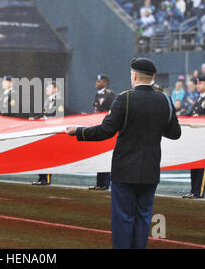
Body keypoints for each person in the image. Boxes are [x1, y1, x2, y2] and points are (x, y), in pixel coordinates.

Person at [66, 57, 181, 249]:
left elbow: (105, 131)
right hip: (150, 171)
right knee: (143, 219)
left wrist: (78, 131)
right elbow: (175, 133)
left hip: (124, 170)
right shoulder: (165, 100)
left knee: (123, 220)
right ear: (152, 77)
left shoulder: (124, 99)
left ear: (134, 76)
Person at [32, 81, 64, 186]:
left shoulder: (58, 100)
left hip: (51, 131)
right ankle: (41, 177)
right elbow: (44, 114)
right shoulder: (47, 100)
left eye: (49, 87)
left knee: (48, 155)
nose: (46, 89)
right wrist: (36, 118)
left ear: (55, 89)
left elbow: (59, 117)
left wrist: (46, 119)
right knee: (41, 154)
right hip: (44, 130)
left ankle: (46, 178)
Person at [89, 74, 116, 190]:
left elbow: (113, 110)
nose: (96, 83)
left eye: (99, 81)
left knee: (104, 156)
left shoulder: (110, 95)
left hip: (106, 128)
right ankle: (100, 182)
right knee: (99, 155)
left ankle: (105, 183)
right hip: (98, 127)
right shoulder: (97, 94)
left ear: (105, 82)